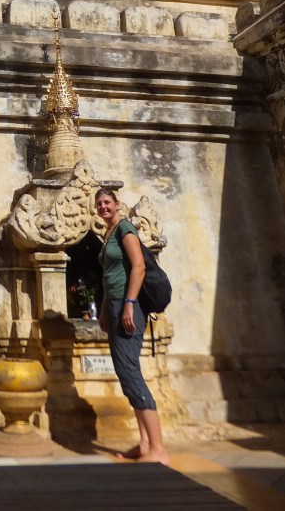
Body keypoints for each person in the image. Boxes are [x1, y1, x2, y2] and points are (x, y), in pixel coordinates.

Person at [95, 187, 169, 464]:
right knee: (126, 373)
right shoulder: (108, 234)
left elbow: (138, 266)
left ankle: (158, 449)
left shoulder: (125, 228)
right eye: (99, 203)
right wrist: (105, 308)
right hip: (114, 305)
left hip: (129, 306)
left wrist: (129, 303)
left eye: (107, 202)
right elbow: (109, 275)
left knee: (130, 372)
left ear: (117, 204)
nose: (103, 206)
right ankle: (145, 444)